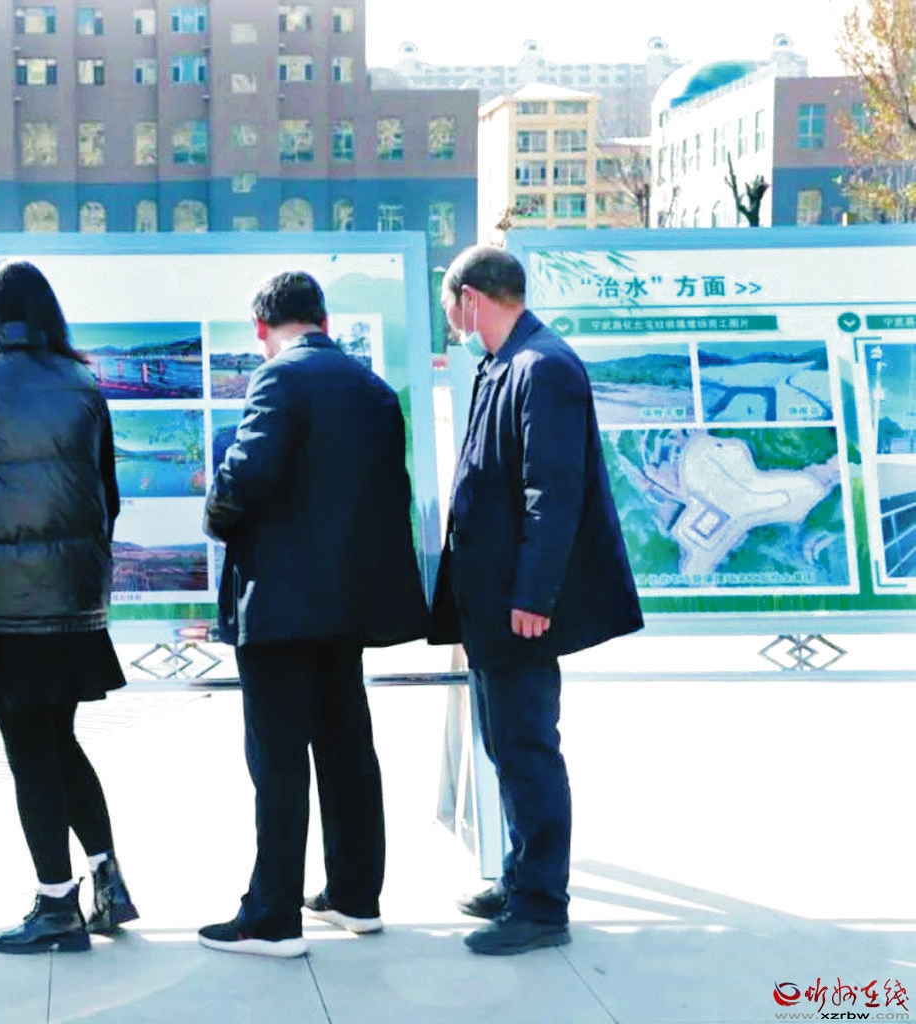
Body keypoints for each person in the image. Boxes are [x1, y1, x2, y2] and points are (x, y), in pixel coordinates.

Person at [198, 271, 431, 958]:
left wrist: (215, 516)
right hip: (348, 604)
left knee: (277, 760)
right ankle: (356, 895)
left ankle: (272, 916)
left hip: (280, 604)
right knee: (345, 746)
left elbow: (245, 476)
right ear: (322, 319)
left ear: (261, 327)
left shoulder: (278, 379)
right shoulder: (373, 389)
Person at [431, 246, 643, 956]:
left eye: (450, 308)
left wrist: (534, 594)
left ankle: (542, 906)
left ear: (469, 298)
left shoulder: (542, 366)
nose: (451, 321)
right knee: (506, 746)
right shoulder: (506, 363)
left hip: (518, 606)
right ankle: (521, 878)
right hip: (491, 602)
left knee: (527, 749)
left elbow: (551, 492)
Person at [0, 259, 138, 955]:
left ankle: (56, 905)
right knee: (60, 740)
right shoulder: (84, 382)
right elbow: (108, 496)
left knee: (29, 752)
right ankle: (108, 879)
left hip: (5, 602)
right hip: (74, 599)